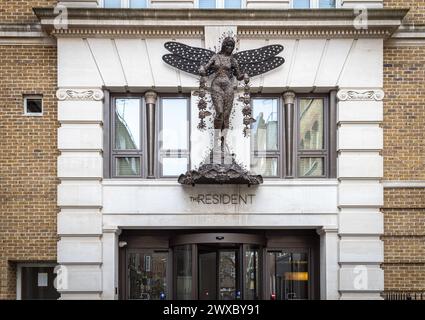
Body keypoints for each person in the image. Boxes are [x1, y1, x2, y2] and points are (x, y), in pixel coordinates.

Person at [199, 37, 249, 152]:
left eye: (232, 46)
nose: (230, 48)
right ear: (224, 45)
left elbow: (238, 75)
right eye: (228, 46)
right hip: (216, 85)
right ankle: (216, 140)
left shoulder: (232, 60)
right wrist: (202, 69)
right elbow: (205, 68)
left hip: (228, 87)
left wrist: (245, 75)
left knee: (226, 116)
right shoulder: (215, 57)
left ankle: (223, 143)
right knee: (220, 112)